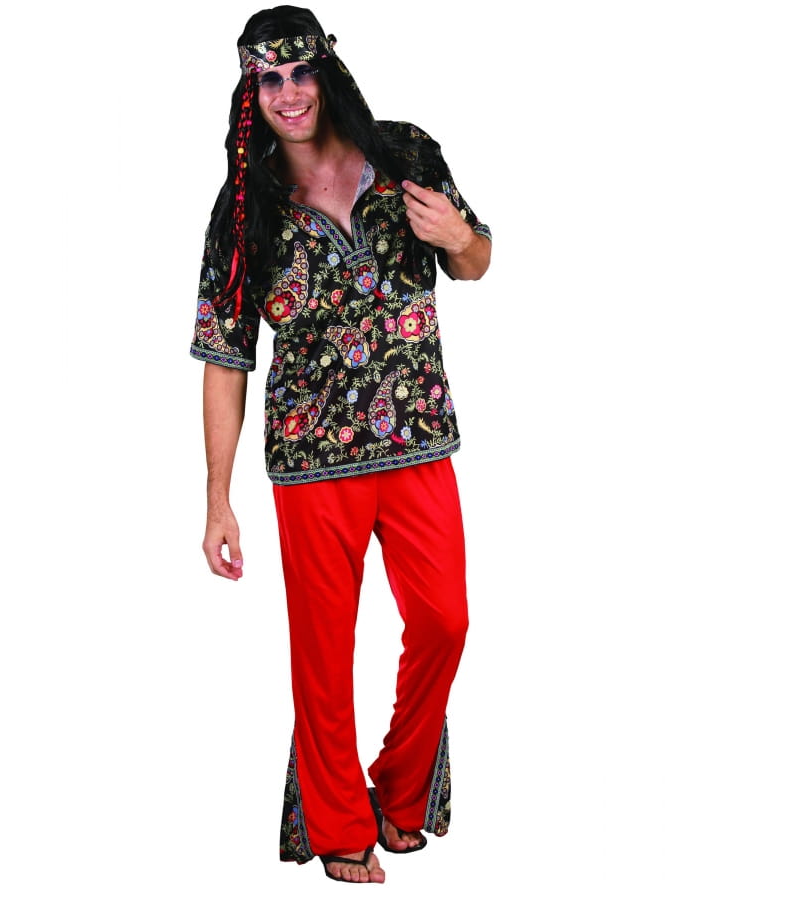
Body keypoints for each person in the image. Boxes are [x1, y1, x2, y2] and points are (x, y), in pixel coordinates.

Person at [190, 5, 491, 884]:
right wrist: (217, 498)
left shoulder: (406, 154)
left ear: (326, 72)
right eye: (269, 79)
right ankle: (336, 821)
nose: (288, 93)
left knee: (445, 621)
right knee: (322, 657)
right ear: (251, 91)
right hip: (310, 460)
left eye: (300, 72)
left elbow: (476, 260)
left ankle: (402, 787)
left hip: (419, 438)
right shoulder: (244, 209)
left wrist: (460, 238)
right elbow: (223, 359)